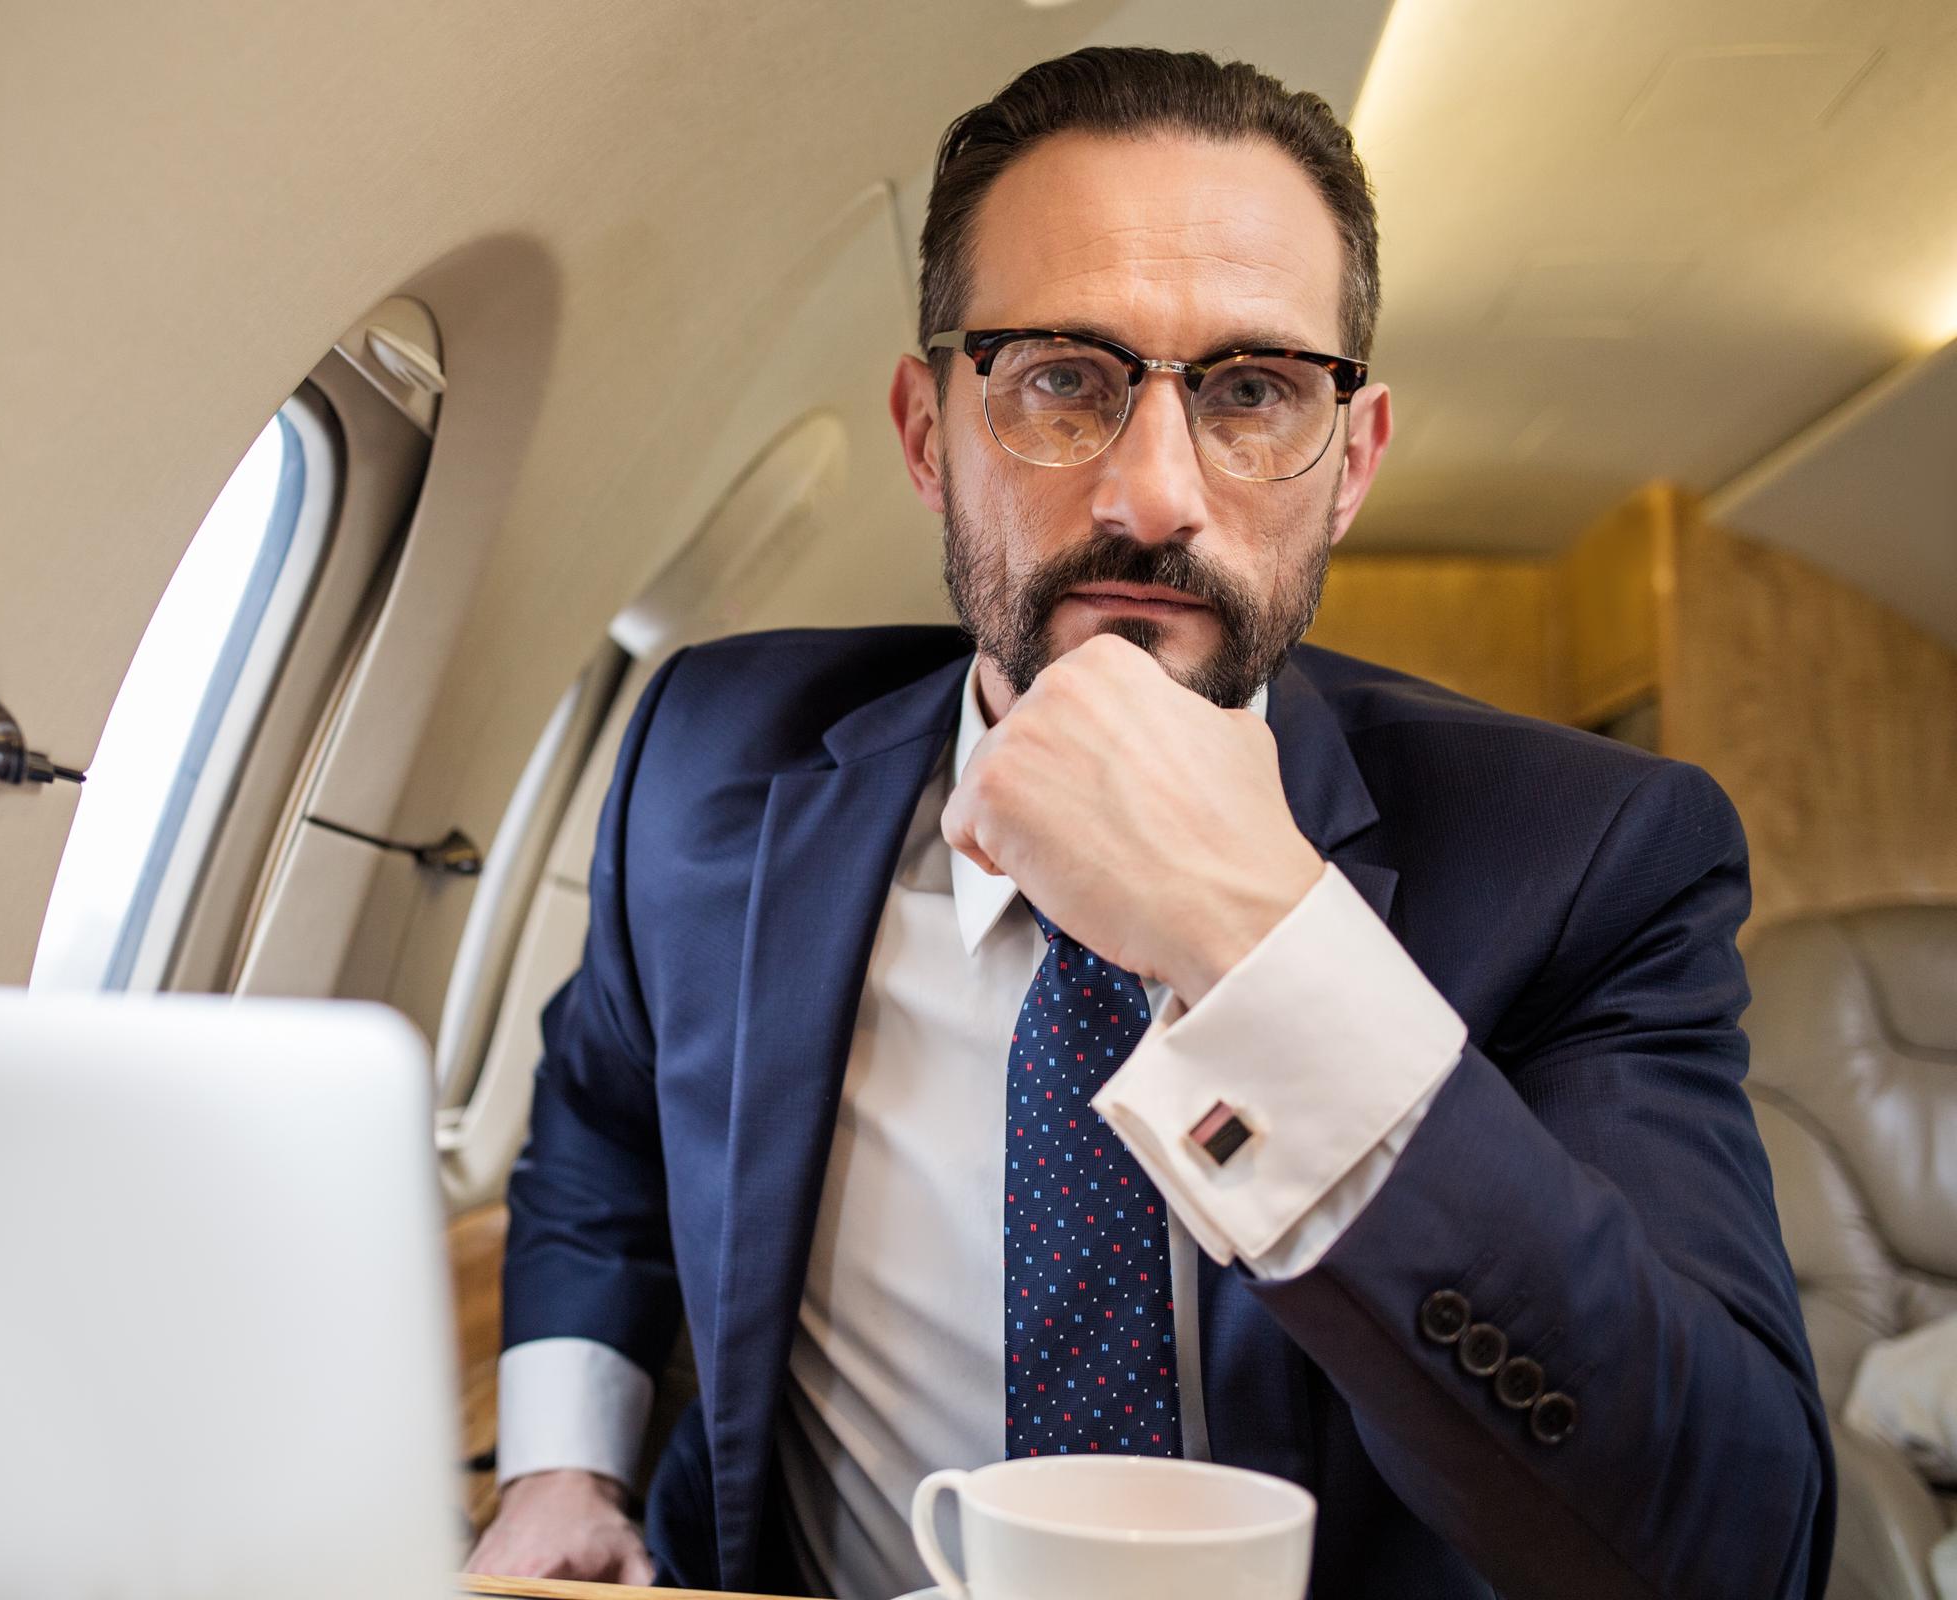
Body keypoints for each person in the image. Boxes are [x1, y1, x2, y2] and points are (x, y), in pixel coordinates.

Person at [466, 46, 1833, 1600]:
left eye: (1252, 394)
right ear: (930, 435)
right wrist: (559, 1467)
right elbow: (600, 1129)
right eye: (1062, 380)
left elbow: (1736, 1552)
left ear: (1350, 466)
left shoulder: (1589, 861)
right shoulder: (708, 759)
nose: (1154, 494)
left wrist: (1262, 945)